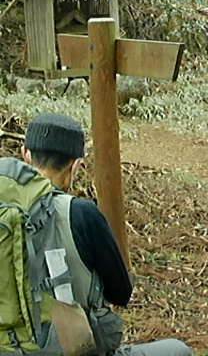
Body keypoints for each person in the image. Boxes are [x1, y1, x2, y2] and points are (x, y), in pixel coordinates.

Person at [2, 114, 192, 356]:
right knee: (177, 350)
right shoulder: (80, 213)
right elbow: (121, 293)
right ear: (76, 166)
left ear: (25, 154)